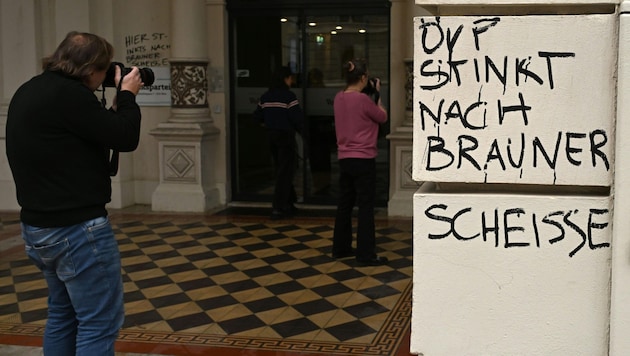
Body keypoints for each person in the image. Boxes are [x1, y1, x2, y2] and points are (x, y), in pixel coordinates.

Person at [5, 31, 144, 355]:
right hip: (76, 231)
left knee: (63, 316)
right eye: (103, 70)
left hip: (39, 228)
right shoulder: (70, 96)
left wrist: (109, 106)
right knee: (99, 323)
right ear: (91, 69)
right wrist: (127, 96)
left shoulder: (31, 89)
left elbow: (80, 136)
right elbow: (124, 136)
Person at [331, 59, 388, 266]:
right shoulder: (363, 100)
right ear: (364, 78)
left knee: (344, 204)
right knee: (365, 206)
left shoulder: (339, 98)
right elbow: (382, 117)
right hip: (363, 158)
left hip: (345, 158)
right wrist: (378, 95)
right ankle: (366, 254)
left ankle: (340, 247)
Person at [253, 66, 304, 220]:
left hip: (272, 136)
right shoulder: (289, 96)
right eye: (290, 78)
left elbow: (256, 117)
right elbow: (297, 118)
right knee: (286, 171)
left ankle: (289, 202)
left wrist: (267, 124)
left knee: (281, 169)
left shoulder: (266, 96)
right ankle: (279, 206)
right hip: (286, 136)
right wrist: (305, 134)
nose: (291, 81)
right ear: (285, 79)